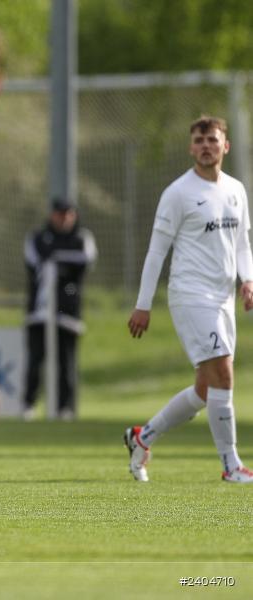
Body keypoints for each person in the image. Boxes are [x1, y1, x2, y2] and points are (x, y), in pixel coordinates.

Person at [126, 115, 253, 483]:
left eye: (212, 140)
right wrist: (143, 304)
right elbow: (156, 252)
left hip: (222, 299)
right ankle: (231, 466)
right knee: (223, 374)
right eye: (199, 140)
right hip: (190, 295)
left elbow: (242, 244)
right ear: (190, 147)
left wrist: (248, 280)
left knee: (205, 389)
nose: (205, 146)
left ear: (225, 146)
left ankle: (142, 437)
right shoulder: (178, 193)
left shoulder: (236, 190)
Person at [22, 198, 97, 421]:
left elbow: (84, 261)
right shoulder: (37, 237)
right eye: (60, 213)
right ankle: (28, 405)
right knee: (35, 360)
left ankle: (65, 408)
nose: (64, 218)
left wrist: (55, 258)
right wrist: (60, 262)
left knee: (66, 362)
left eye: (68, 214)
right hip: (39, 311)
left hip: (67, 312)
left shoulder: (82, 238)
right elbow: (34, 261)